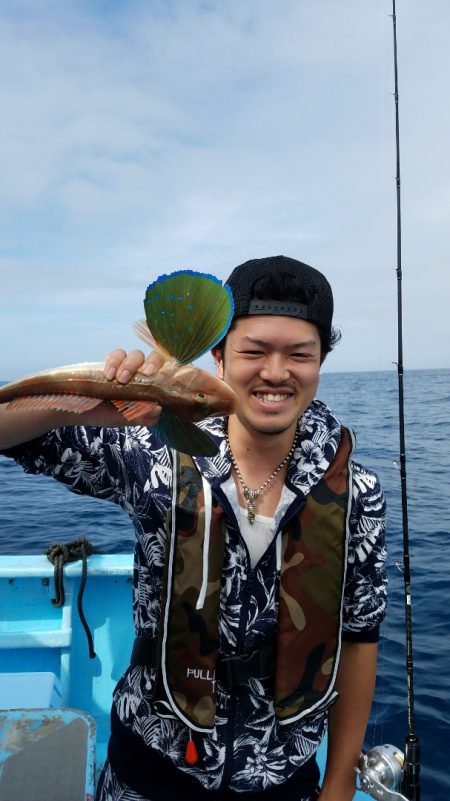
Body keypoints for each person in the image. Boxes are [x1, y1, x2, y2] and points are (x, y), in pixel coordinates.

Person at [0, 255, 387, 801]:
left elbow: (360, 636)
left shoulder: (359, 491)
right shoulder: (149, 449)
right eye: (253, 351)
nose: (276, 373)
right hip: (149, 769)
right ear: (219, 356)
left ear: (322, 360)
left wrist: (340, 781)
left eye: (300, 354)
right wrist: (82, 406)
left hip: (284, 780)